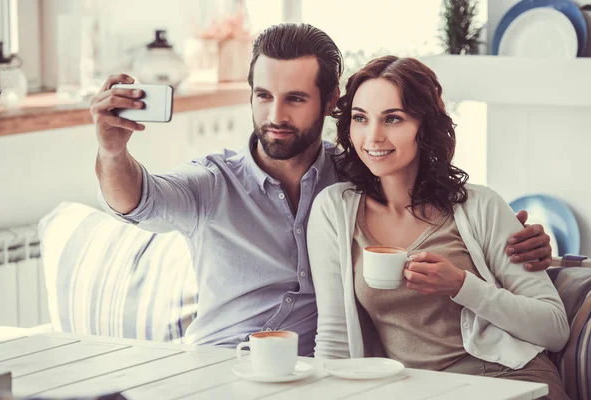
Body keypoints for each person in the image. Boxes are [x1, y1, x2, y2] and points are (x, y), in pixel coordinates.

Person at [89, 23, 554, 357]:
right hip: (222, 365)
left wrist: (524, 243)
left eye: (294, 98)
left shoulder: (358, 175)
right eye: (263, 96)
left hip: (316, 375)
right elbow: (138, 202)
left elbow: (446, 206)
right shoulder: (215, 181)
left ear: (331, 101)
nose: (275, 115)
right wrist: (113, 153)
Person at [306, 55, 569, 399]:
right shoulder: (334, 210)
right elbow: (335, 336)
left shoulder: (481, 206)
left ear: (424, 127)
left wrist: (462, 285)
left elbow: (554, 329)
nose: (373, 136)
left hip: (509, 380)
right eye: (360, 118)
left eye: (393, 119)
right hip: (419, 391)